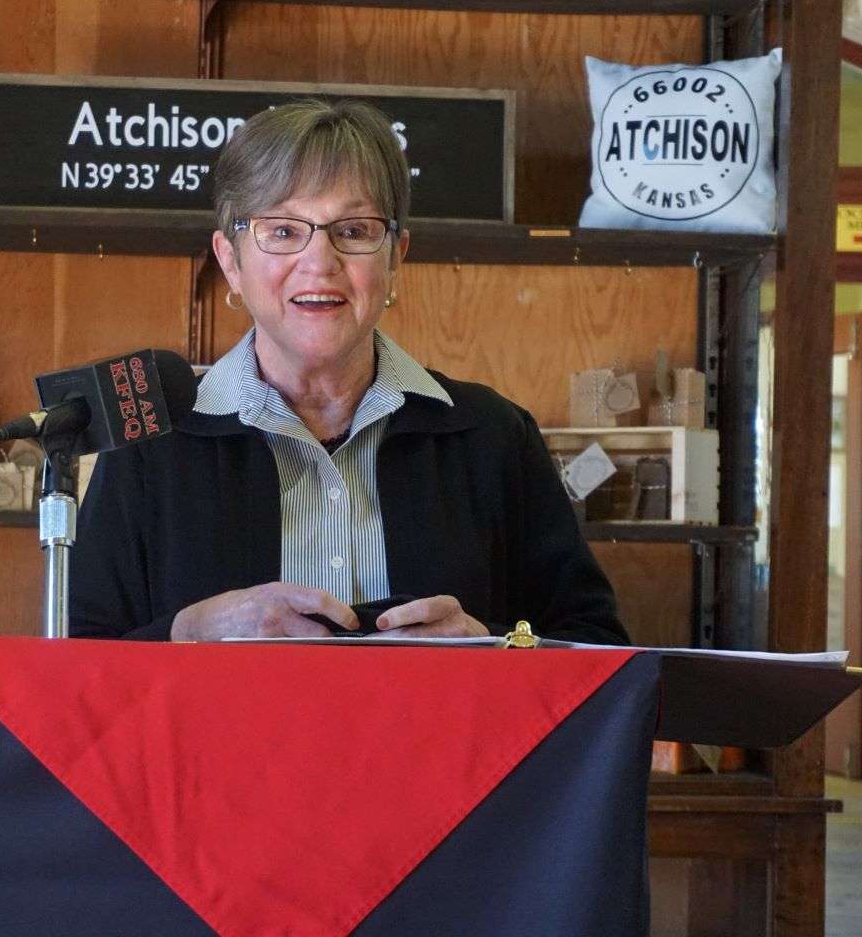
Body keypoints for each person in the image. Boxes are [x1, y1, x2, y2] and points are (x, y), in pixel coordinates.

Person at [69, 98, 628, 645]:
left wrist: (495, 646)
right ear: (231, 262)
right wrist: (189, 631)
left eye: (355, 231)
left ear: (396, 257)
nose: (320, 261)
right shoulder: (148, 444)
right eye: (283, 231)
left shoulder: (494, 435)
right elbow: (77, 671)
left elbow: (597, 648)